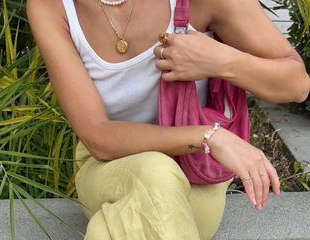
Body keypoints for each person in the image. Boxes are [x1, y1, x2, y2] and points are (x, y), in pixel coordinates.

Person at [27, 0, 310, 239]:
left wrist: (222, 61)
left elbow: (296, 84)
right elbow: (98, 136)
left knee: (107, 230)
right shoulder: (52, 5)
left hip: (195, 175)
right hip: (108, 169)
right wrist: (210, 136)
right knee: (155, 170)